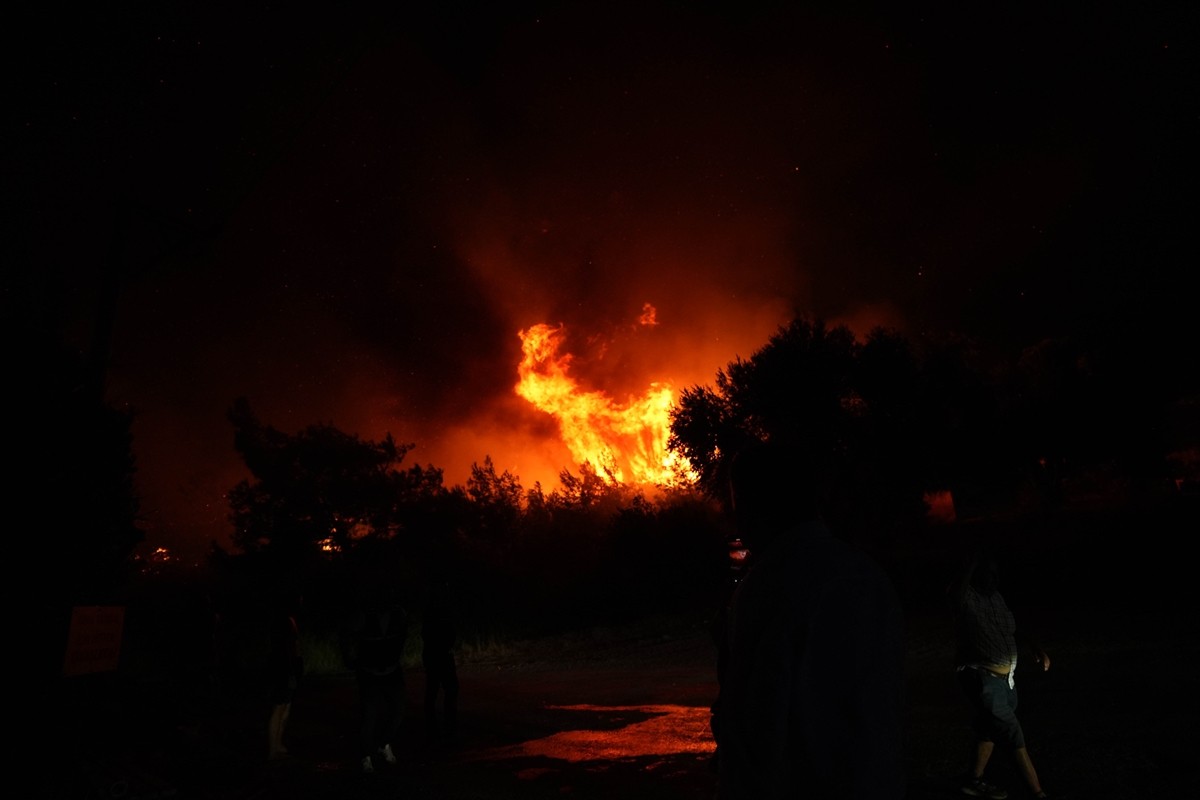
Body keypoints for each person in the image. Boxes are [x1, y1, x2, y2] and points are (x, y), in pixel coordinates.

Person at [712, 439, 907, 799]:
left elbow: (757, 727)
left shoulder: (768, 586)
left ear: (758, 505)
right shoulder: (868, 574)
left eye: (738, 502)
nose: (735, 517)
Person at [952, 547, 1053, 800]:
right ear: (976, 574)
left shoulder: (996, 598)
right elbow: (956, 593)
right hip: (983, 679)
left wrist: (1034, 647)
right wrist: (971, 566)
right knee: (1012, 735)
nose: (993, 580)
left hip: (1006, 681)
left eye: (996, 575)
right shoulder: (967, 599)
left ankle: (973, 781)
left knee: (990, 729)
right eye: (987, 574)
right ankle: (1037, 793)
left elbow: (1011, 630)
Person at [344, 584, 409, 773]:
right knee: (369, 716)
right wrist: (350, 659)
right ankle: (366, 755)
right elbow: (346, 634)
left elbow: (404, 634)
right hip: (369, 672)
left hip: (391, 670)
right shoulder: (364, 615)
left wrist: (396, 653)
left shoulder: (398, 614)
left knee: (397, 711)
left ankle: (383, 744)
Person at [421, 576, 460, 745]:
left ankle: (440, 727)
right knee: (440, 689)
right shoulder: (437, 607)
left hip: (438, 652)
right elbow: (431, 632)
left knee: (441, 689)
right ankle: (440, 727)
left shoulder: (437, 606)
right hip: (438, 653)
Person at [266, 589, 303, 761]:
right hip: (282, 668)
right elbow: (286, 647)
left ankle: (278, 743)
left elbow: (294, 646)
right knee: (279, 706)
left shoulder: (288, 621)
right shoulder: (282, 622)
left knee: (286, 705)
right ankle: (273, 749)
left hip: (287, 668)